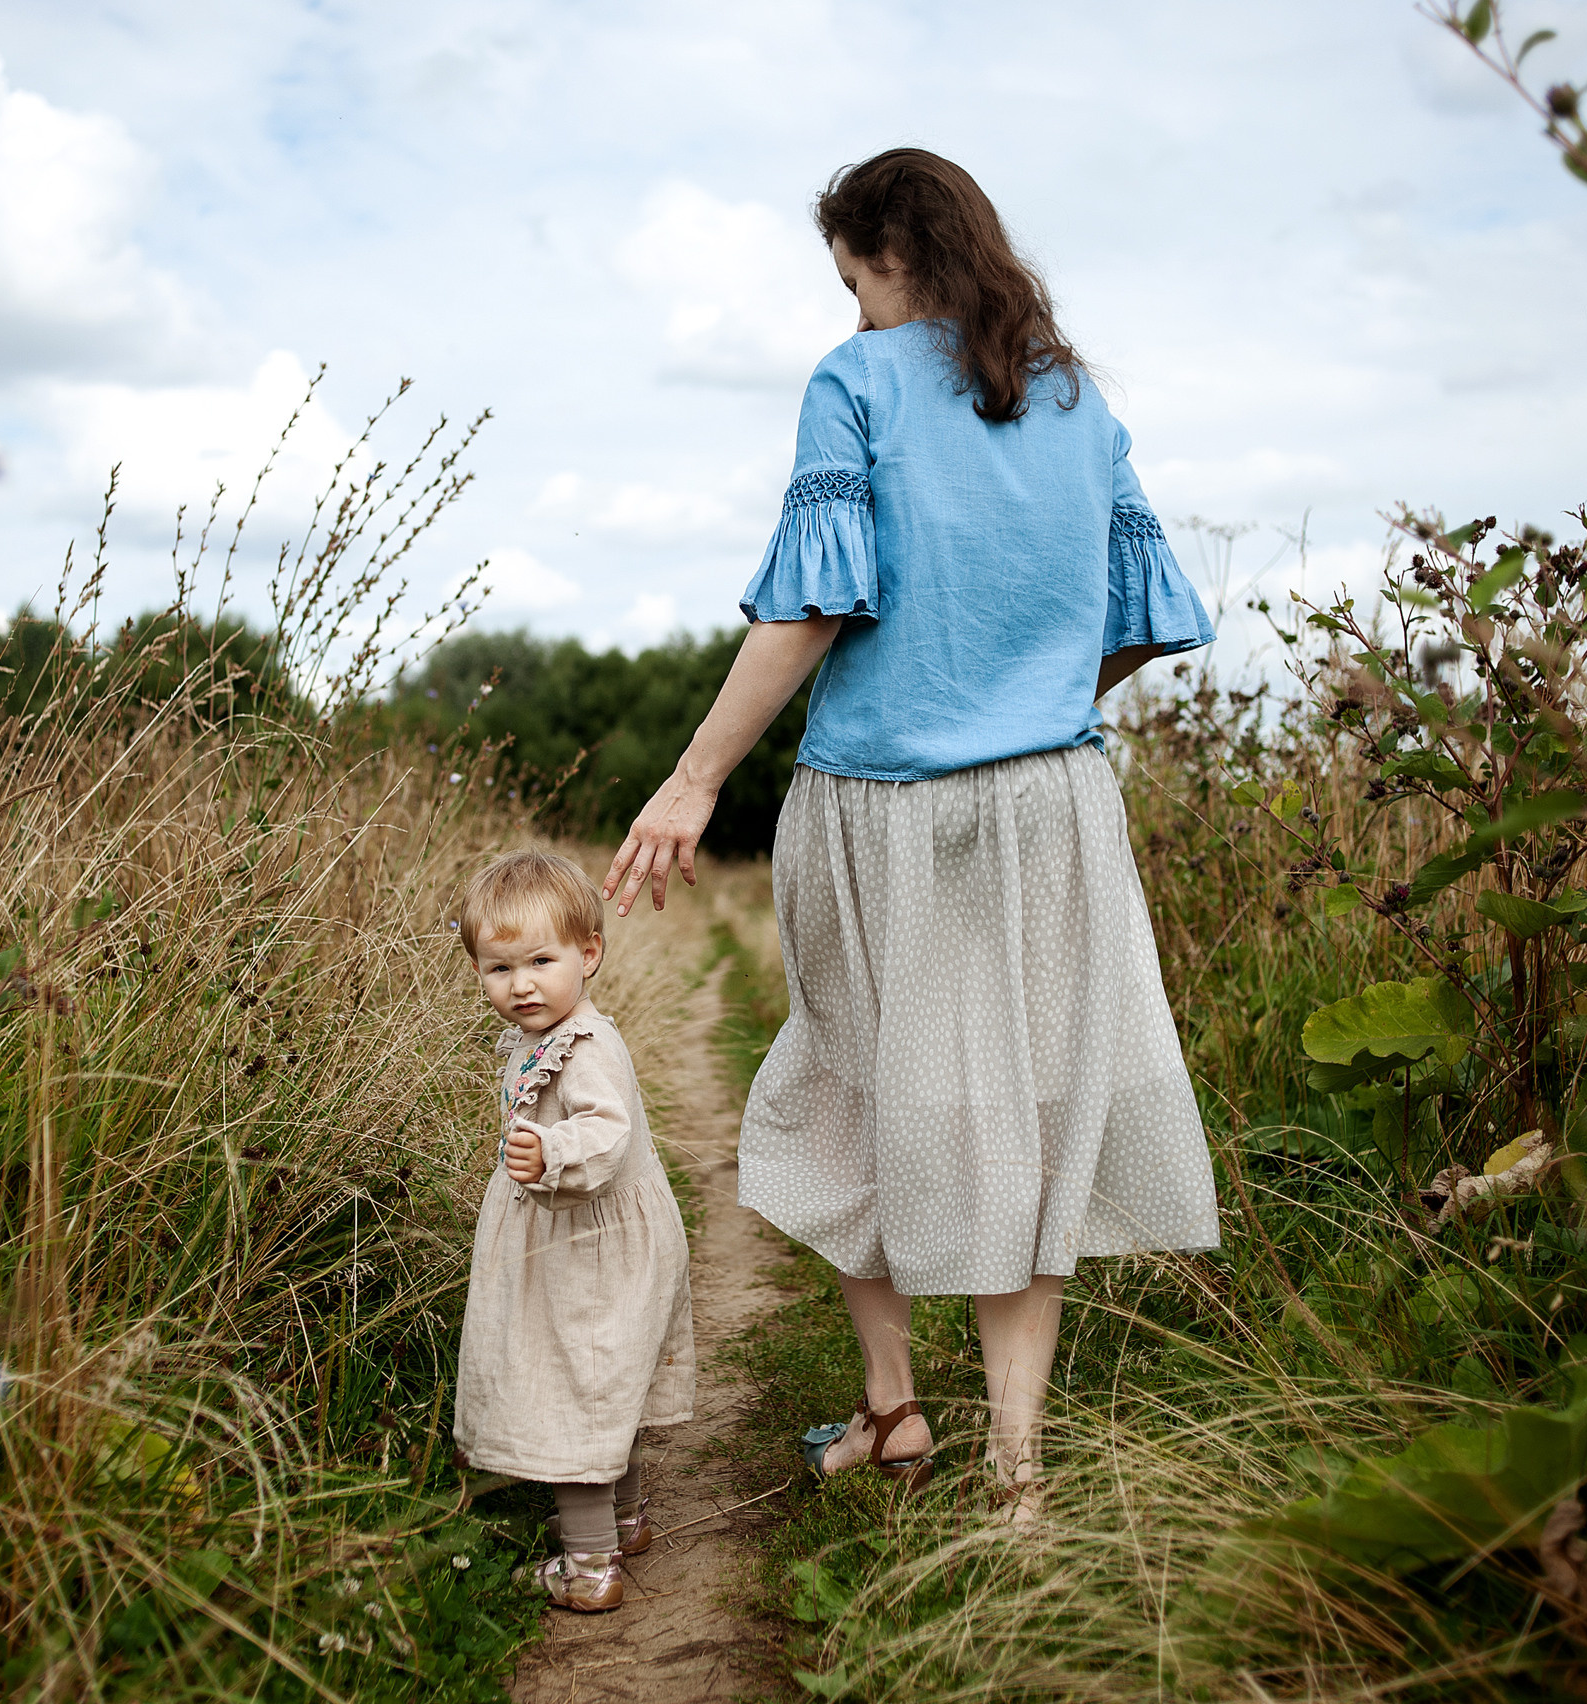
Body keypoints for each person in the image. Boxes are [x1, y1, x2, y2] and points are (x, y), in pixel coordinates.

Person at [602, 148, 1220, 1521]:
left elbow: (814, 607)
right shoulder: (1071, 395)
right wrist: (1035, 701)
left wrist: (695, 779)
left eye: (852, 283)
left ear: (893, 255)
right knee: (1032, 1115)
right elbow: (1146, 614)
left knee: (843, 1095)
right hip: (1054, 807)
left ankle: (893, 1409)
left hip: (877, 808)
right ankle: (1017, 1475)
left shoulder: (858, 381)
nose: (853, 314)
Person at [451, 850, 695, 1610]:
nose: (520, 984)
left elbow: (606, 1132)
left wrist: (551, 1150)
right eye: (497, 968)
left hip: (588, 1246)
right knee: (600, 1379)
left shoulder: (585, 1048)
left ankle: (589, 1567)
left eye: (540, 961)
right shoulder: (542, 1037)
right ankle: (625, 1520)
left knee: (574, 1381)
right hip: (573, 1240)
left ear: (589, 954)